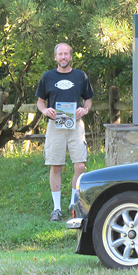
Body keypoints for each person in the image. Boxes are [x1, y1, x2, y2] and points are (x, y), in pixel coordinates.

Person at [36, 43, 94, 222]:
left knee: (80, 166)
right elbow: (40, 102)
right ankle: (57, 208)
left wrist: (84, 110)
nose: (63, 57)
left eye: (66, 54)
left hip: (76, 126)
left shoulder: (80, 76)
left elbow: (88, 100)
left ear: (70, 57)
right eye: (60, 54)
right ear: (55, 57)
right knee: (56, 166)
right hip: (55, 127)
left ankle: (73, 203)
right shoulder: (48, 77)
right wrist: (45, 111)